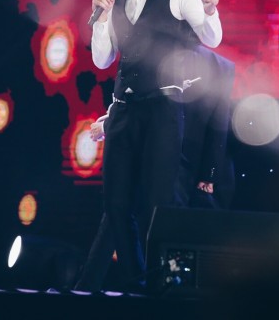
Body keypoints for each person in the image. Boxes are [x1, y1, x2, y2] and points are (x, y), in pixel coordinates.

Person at [90, 0, 223, 292]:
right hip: (123, 110)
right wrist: (100, 18)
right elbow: (102, 59)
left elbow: (211, 38)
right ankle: (138, 284)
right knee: (116, 206)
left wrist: (211, 10)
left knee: (157, 204)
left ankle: (164, 287)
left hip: (162, 109)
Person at [75, 44, 235, 293]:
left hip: (182, 163)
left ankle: (161, 289)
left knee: (162, 225)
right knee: (118, 215)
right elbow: (135, 104)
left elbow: (219, 126)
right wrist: (110, 122)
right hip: (145, 151)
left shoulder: (221, 67)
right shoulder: (158, 51)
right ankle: (91, 286)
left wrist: (208, 174)